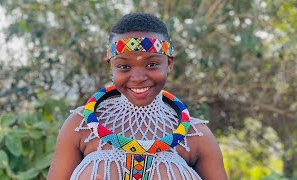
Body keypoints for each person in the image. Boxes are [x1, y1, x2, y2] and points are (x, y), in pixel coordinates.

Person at [48, 13, 227, 180]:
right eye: (124, 67)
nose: (139, 78)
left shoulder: (196, 136)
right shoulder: (81, 126)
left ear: (169, 64)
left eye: (152, 64)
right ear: (111, 66)